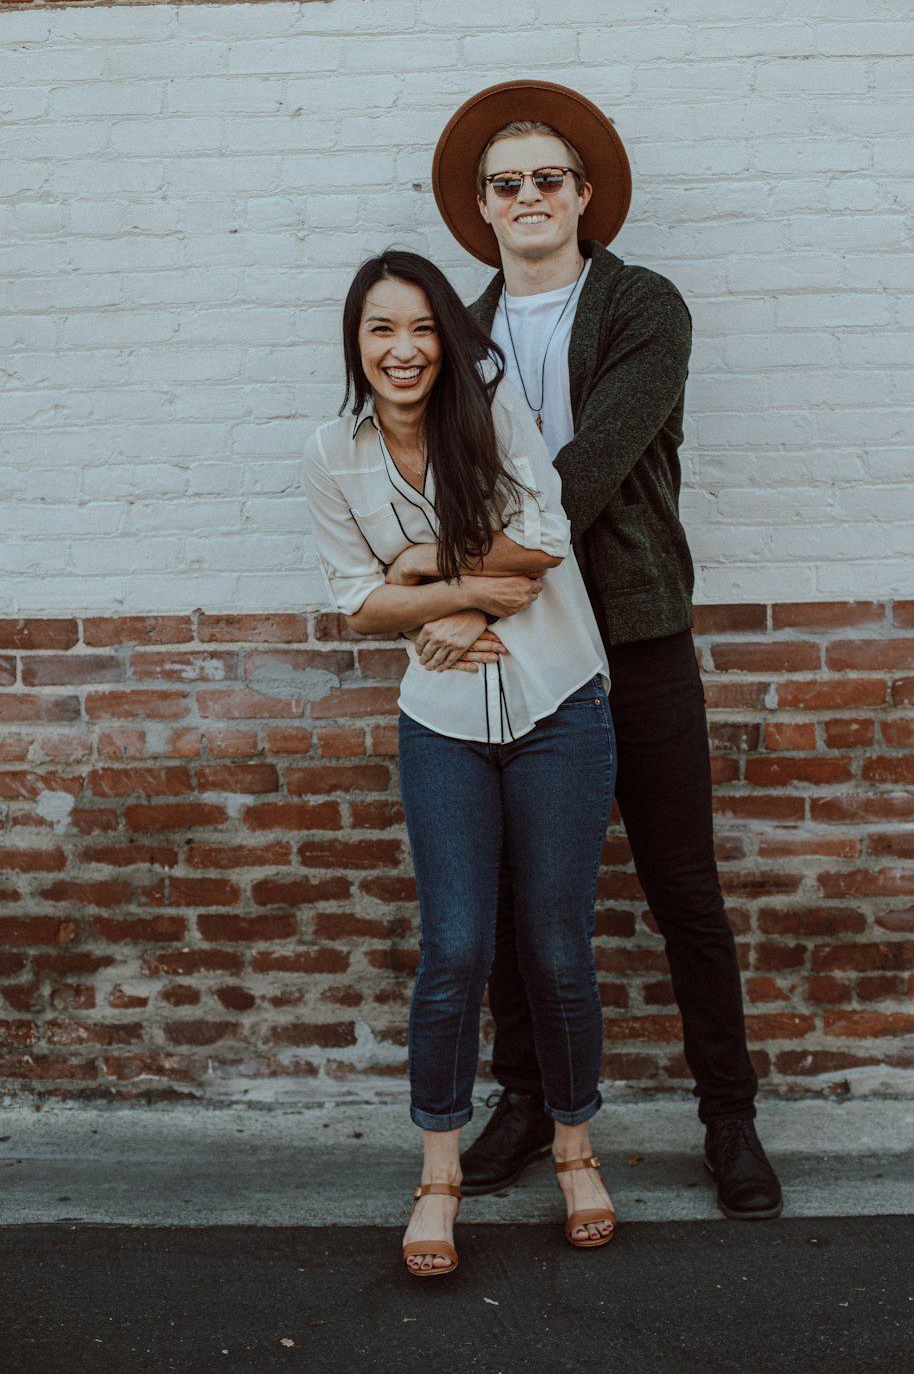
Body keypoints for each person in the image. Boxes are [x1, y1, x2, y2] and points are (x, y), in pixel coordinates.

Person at [423, 80, 783, 1221]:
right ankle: (526, 1105)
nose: (526, 196)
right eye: (504, 184)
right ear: (482, 209)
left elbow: (588, 472)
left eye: (546, 179)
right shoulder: (459, 334)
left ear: (583, 197)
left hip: (632, 635)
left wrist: (469, 588)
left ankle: (729, 1119)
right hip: (519, 648)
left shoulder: (643, 307)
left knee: (683, 886)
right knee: (528, 894)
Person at [302, 249, 619, 1277]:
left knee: (557, 948)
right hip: (439, 720)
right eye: (380, 330)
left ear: (448, 336)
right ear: (356, 344)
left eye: (422, 328)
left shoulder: (489, 409)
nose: (404, 350)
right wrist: (449, 605)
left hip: (558, 702)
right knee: (454, 952)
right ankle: (437, 1178)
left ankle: (575, 1151)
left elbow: (543, 541)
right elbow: (355, 603)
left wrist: (430, 572)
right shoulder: (331, 453)